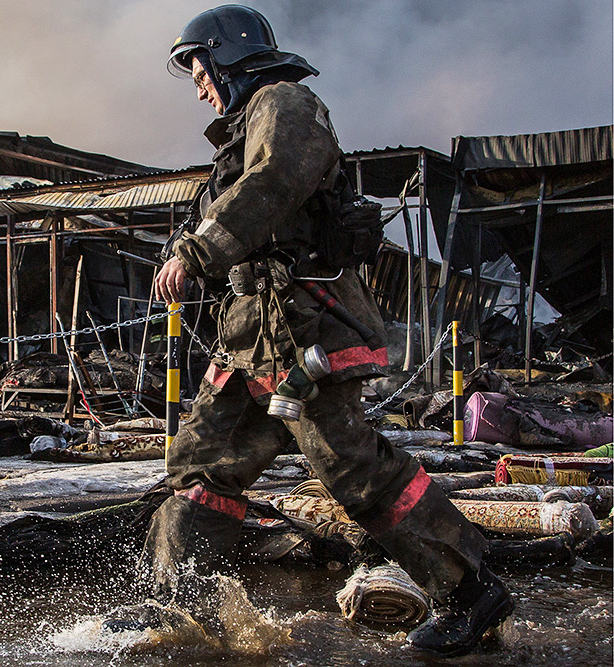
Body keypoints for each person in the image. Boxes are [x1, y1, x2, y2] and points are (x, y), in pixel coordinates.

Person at [138, 5, 513, 657]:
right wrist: (186, 240)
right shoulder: (242, 133)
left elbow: (276, 179)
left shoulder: (285, 104)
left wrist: (197, 253)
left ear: (228, 55)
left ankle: (472, 590)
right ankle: (180, 605)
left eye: (199, 68)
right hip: (255, 342)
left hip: (306, 332)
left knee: (353, 468)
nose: (198, 86)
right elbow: (220, 205)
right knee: (203, 462)